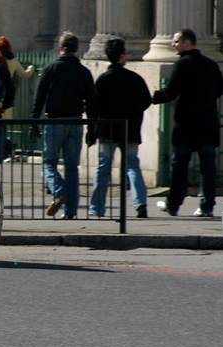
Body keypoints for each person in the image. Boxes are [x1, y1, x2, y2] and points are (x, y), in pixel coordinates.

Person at [153, 29, 223, 217]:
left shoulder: (182, 65)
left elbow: (170, 92)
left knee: (179, 167)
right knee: (208, 168)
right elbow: (219, 89)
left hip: (186, 124)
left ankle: (173, 204)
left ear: (187, 43)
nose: (172, 44)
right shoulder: (210, 65)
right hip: (207, 123)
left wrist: (153, 96)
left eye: (176, 41)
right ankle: (207, 206)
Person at [31, 31, 98, 219]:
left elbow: (39, 97)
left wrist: (33, 120)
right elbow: (92, 102)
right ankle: (71, 212)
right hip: (76, 121)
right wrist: (93, 128)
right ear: (76, 49)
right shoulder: (84, 72)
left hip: (55, 121)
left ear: (61, 48)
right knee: (72, 167)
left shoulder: (50, 68)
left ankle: (59, 192)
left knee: (48, 163)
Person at [89, 38, 152, 219]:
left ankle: (97, 208)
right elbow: (146, 101)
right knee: (132, 165)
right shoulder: (134, 78)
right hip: (129, 129)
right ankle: (140, 203)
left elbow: (96, 107)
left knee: (103, 168)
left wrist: (93, 130)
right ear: (122, 55)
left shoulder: (102, 80)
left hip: (108, 130)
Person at [0, 36, 36, 163]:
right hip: (5, 99)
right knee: (2, 129)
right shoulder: (13, 60)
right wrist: (32, 67)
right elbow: (25, 75)